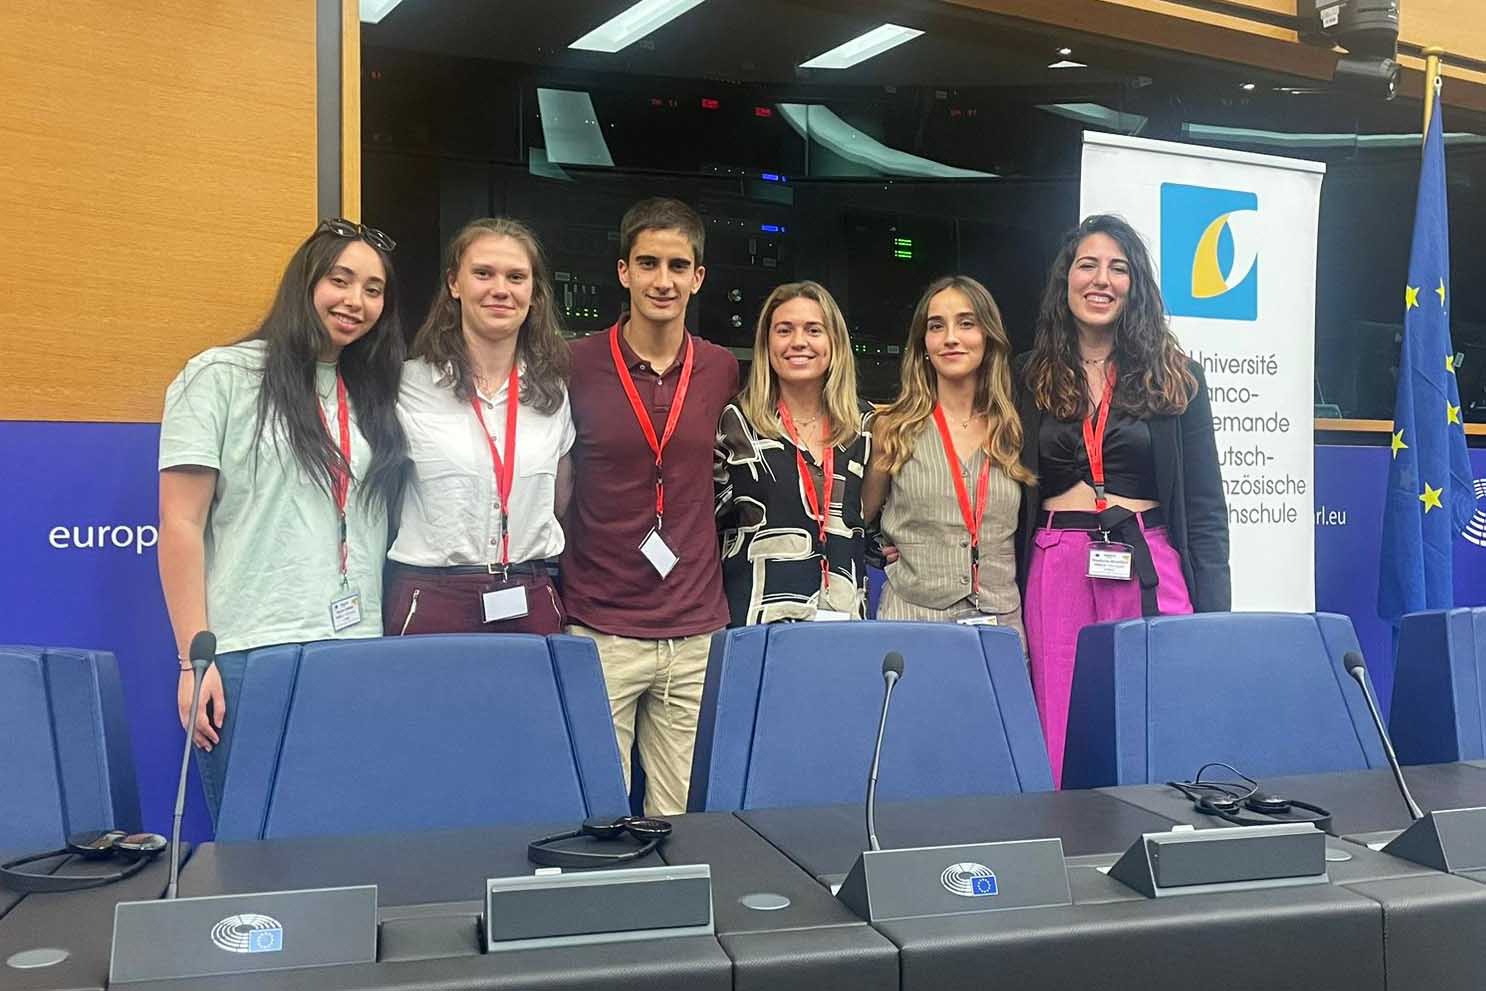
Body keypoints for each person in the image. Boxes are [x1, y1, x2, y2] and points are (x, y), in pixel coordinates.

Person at [157, 219, 407, 824]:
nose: (356, 301)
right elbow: (180, 523)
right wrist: (195, 660)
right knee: (254, 853)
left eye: (374, 290)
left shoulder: (374, 393)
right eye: (340, 280)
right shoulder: (221, 376)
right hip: (251, 653)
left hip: (355, 652)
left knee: (348, 839)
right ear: (305, 283)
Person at [1018, 214, 1230, 786]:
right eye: (1087, 265)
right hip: (1058, 559)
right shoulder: (1029, 376)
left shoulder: (1177, 377)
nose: (1101, 280)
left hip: (1148, 561)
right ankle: (1068, 849)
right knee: (1059, 715)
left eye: (1118, 268)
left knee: (1158, 705)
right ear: (1065, 281)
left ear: (1135, 285)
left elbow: (1206, 506)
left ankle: (1163, 834)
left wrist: (1216, 612)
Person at [562, 198, 739, 816]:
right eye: (647, 263)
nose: (662, 280)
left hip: (695, 629)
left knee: (684, 819)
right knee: (594, 814)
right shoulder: (572, 363)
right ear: (622, 272)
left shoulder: (721, 369)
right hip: (600, 626)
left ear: (698, 277)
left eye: (677, 265)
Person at [385, 218, 573, 635]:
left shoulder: (553, 394)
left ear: (533, 293)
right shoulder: (405, 386)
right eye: (483, 273)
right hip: (433, 598)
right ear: (454, 283)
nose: (500, 289)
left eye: (516, 277)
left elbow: (560, 500)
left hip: (530, 592)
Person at [863, 276, 1031, 631]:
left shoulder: (1017, 428)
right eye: (936, 326)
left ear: (988, 336)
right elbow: (856, 521)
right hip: (912, 624)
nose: (951, 338)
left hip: (999, 626)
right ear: (924, 343)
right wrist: (876, 546)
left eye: (966, 324)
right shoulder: (891, 428)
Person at [716, 281, 872, 625]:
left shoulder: (864, 427)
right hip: (758, 621)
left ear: (835, 343)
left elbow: (875, 524)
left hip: (845, 624)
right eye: (784, 330)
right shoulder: (736, 423)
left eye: (813, 330)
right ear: (767, 343)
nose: (798, 342)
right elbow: (705, 526)